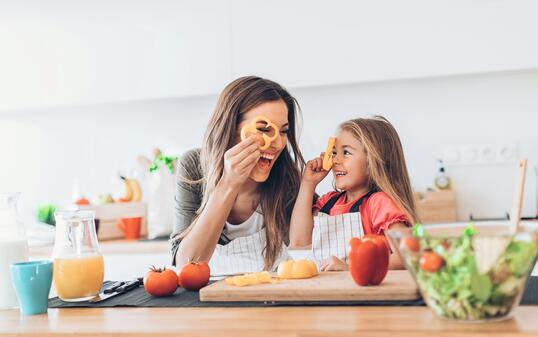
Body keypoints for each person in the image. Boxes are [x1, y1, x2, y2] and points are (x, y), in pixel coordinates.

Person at [170, 76, 305, 275]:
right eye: (263, 129)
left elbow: (306, 247)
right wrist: (228, 183)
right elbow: (186, 265)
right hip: (209, 299)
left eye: (283, 131)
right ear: (230, 127)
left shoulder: (286, 176)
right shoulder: (194, 166)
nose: (276, 143)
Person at [289, 116, 418, 271]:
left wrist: (352, 268)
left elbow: (408, 254)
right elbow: (298, 242)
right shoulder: (328, 203)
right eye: (335, 153)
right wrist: (308, 184)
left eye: (346, 152)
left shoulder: (378, 203)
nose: (335, 160)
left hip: (363, 293)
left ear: (373, 162)